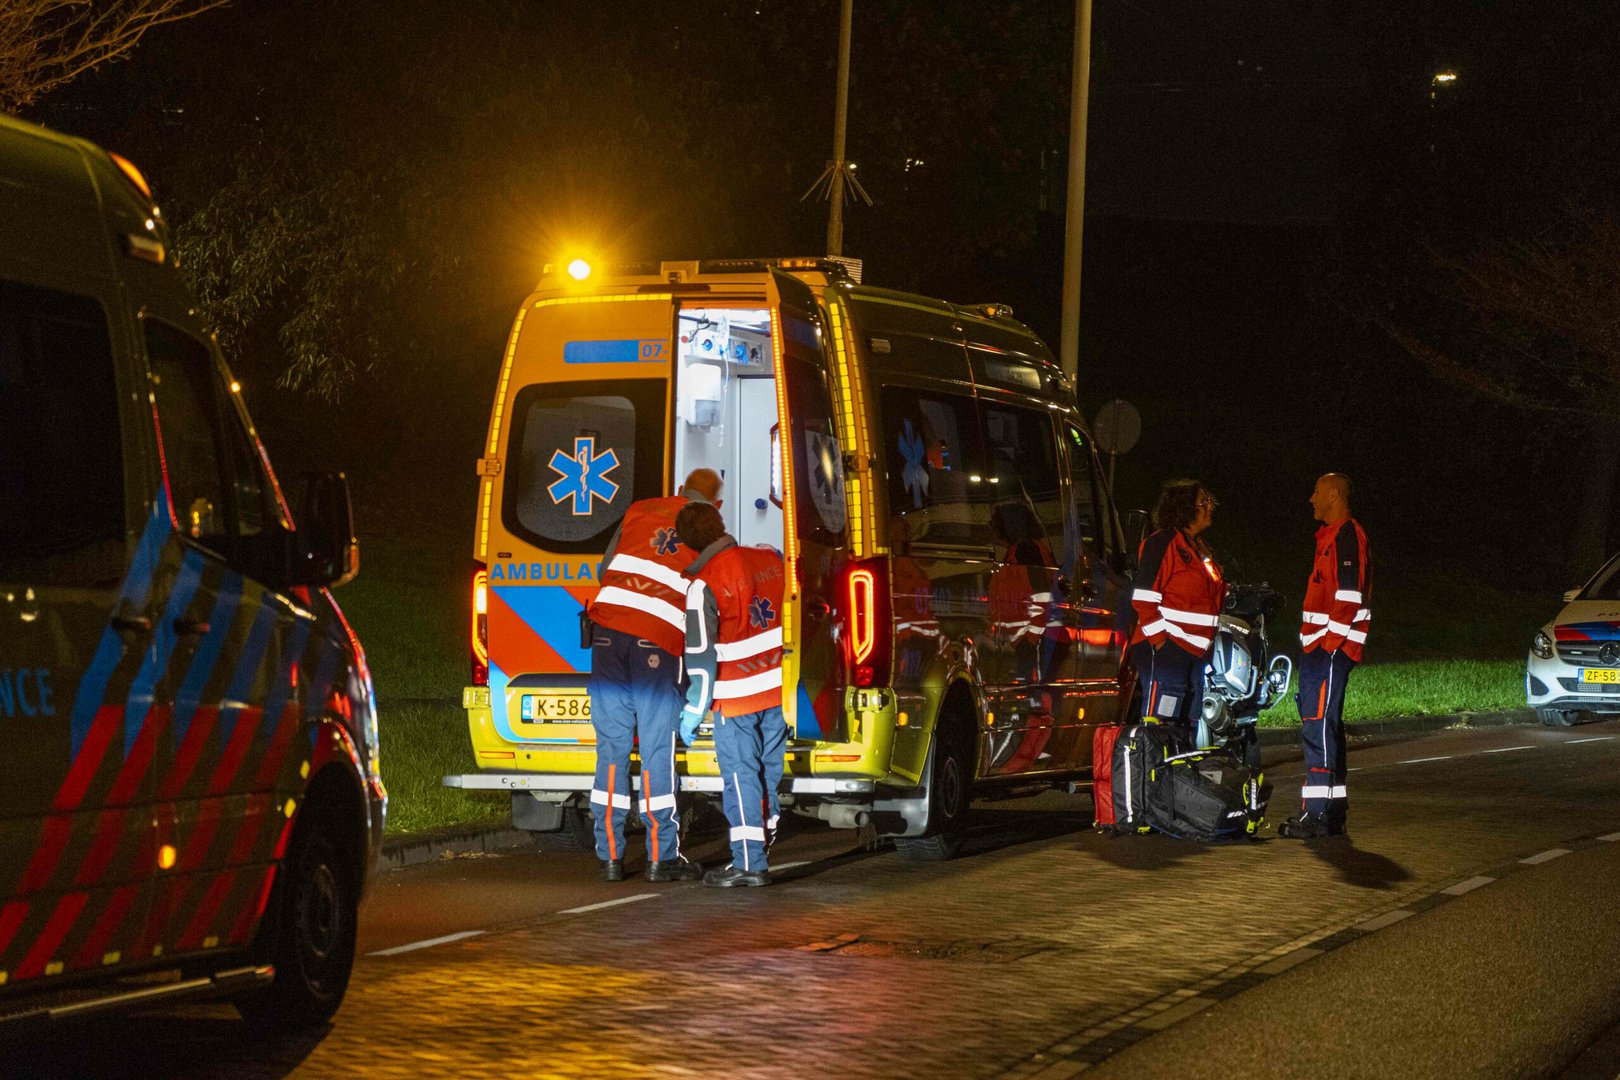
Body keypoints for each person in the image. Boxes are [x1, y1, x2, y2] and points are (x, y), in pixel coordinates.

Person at [583, 468, 721, 882]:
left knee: (611, 748)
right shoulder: (707, 528)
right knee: (657, 749)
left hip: (607, 635)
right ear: (713, 504)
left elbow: (604, 568)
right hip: (657, 643)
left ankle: (608, 856)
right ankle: (662, 857)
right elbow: (707, 596)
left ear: (680, 490)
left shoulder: (640, 508)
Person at [675, 501, 787, 888]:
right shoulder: (769, 558)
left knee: (741, 778)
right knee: (768, 774)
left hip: (736, 700)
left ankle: (749, 863)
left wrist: (694, 708)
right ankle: (762, 844)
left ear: (688, 544)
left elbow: (702, 659)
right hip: (778, 691)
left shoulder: (702, 585)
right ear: (720, 524)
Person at [1279, 473, 1372, 840]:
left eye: (1316, 491)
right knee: (1326, 726)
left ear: (1334, 494)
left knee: (1317, 726)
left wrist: (1329, 644)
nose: (1311, 499)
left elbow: (1348, 598)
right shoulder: (1332, 537)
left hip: (1329, 650)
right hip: (1322, 648)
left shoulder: (1346, 535)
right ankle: (1332, 812)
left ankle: (1317, 815)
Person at [1128, 479, 1226, 748]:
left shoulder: (1198, 548)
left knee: (1188, 723)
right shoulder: (1163, 543)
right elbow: (1144, 596)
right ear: (1184, 507)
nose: (1210, 507)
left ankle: (1180, 782)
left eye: (1209, 501)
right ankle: (1153, 780)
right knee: (1163, 721)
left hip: (1195, 653)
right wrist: (1161, 642)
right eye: (1203, 502)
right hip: (1168, 649)